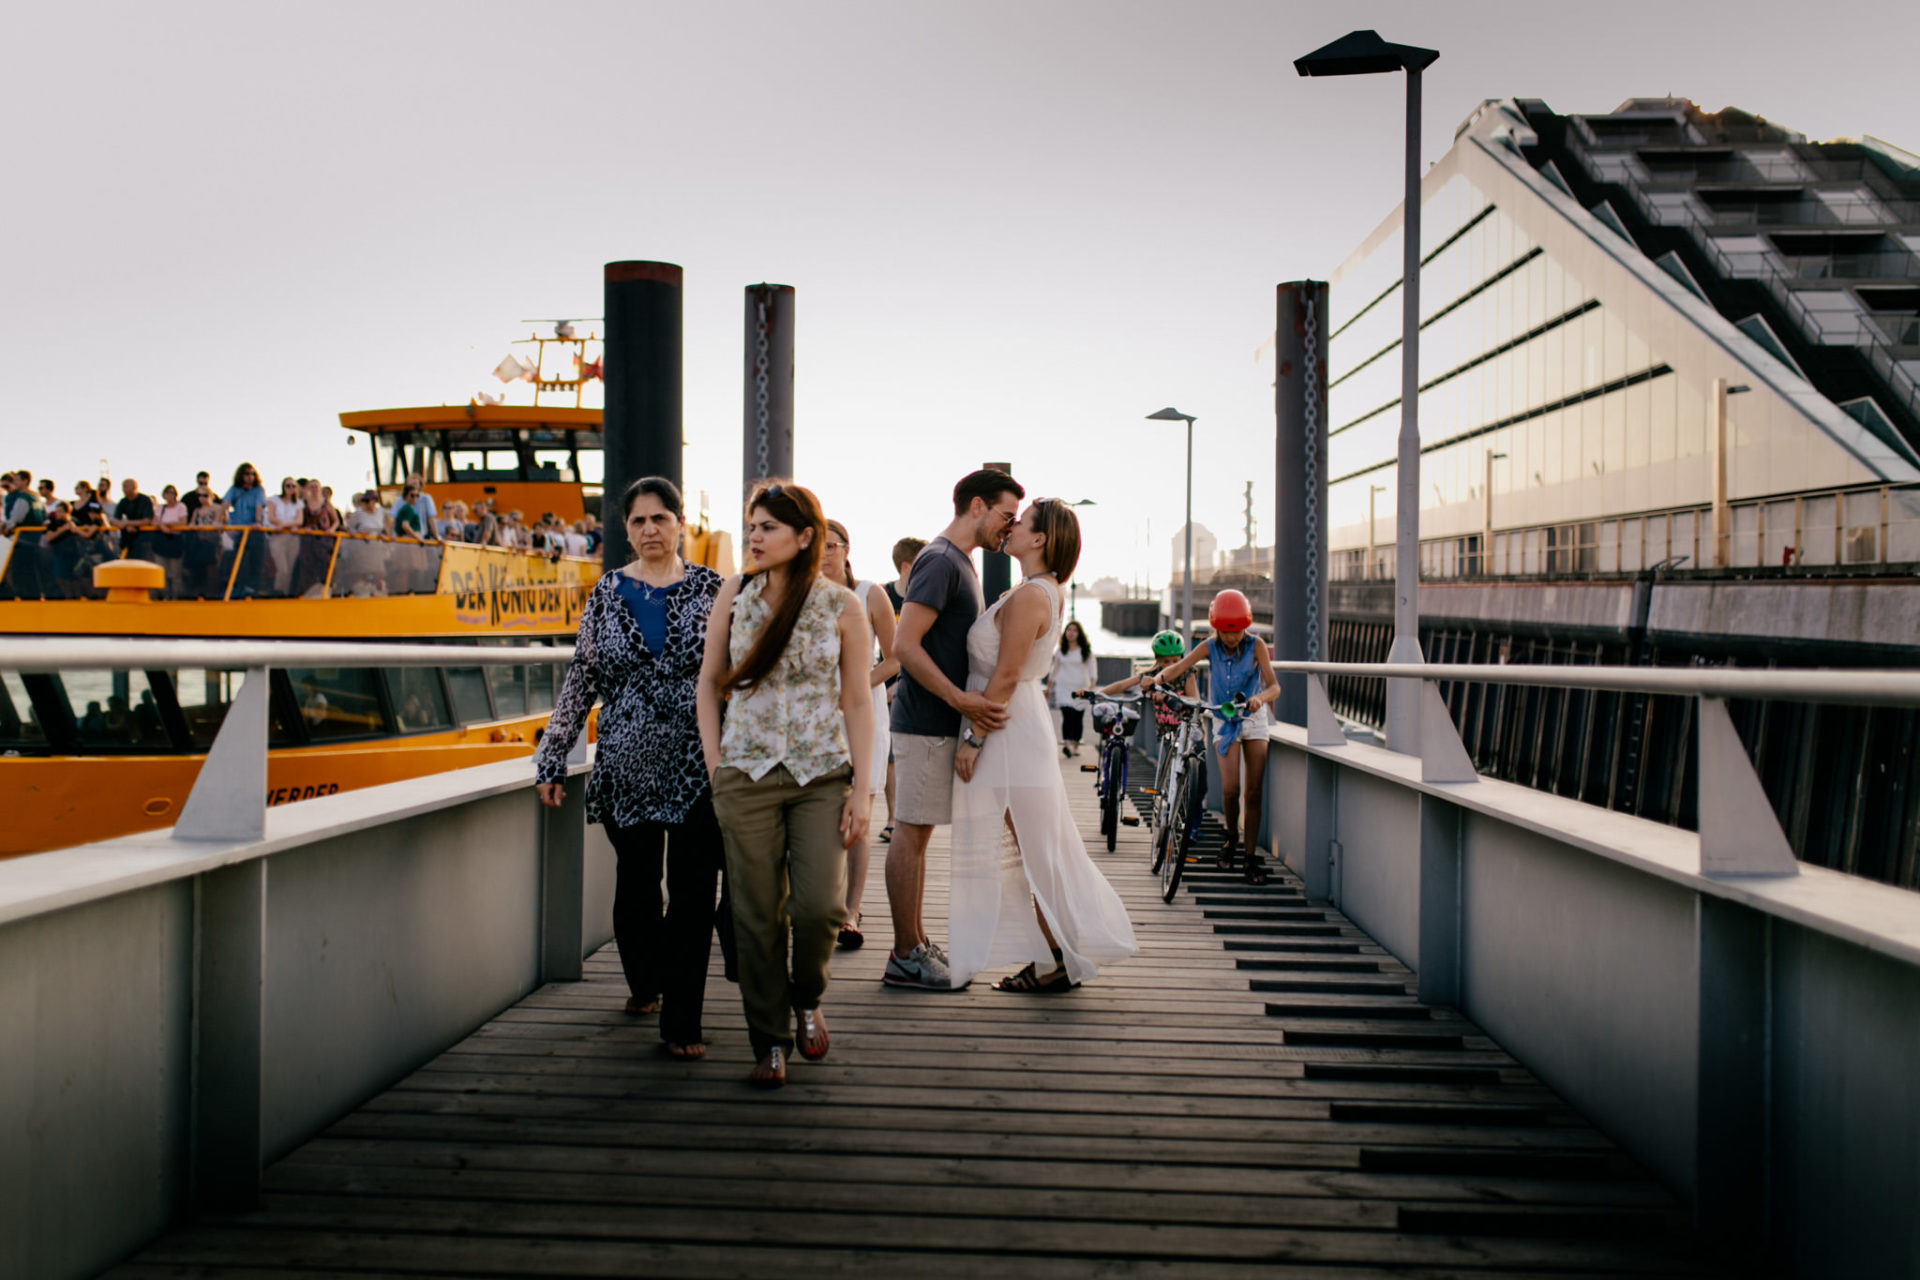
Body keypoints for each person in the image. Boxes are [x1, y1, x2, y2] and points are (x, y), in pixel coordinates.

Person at [535, 476, 729, 1060]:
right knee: (639, 886)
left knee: (695, 891)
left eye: (660, 519)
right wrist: (551, 755)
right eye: (639, 521)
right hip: (626, 761)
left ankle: (682, 1022)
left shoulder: (716, 589)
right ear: (626, 530)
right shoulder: (607, 593)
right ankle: (646, 981)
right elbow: (582, 678)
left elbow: (736, 673)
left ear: (679, 525)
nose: (650, 530)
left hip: (700, 761)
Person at [696, 481, 873, 1088]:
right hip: (744, 772)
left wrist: (864, 788)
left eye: (769, 527)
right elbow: (708, 684)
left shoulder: (840, 606)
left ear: (805, 537)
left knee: (821, 906)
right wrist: (716, 761)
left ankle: (807, 995)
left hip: (821, 773)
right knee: (755, 917)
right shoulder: (734, 595)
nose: (754, 537)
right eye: (752, 526)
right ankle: (769, 1039)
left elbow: (857, 699)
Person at [948, 499, 1138, 991]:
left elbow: (1007, 674)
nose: (1012, 524)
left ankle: (1057, 959)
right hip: (1019, 724)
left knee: (1037, 850)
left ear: (1040, 540)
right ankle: (1053, 955)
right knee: (1035, 848)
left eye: (1023, 520)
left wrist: (973, 738)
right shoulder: (1038, 591)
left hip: (1009, 729)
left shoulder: (1033, 594)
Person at [884, 469, 1023, 991]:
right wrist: (959, 698)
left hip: (939, 722)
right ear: (978, 507)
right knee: (910, 835)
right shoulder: (941, 561)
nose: (1008, 529)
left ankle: (915, 941)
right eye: (1006, 516)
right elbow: (905, 645)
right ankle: (903, 954)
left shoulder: (960, 561)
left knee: (917, 838)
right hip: (926, 722)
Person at [1140, 589, 1281, 884]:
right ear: (1217, 628)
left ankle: (1250, 857)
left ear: (1247, 625)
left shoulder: (1257, 646)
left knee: (1253, 791)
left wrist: (1260, 698)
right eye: (1226, 632)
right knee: (1230, 789)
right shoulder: (1209, 646)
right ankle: (1231, 840)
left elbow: (1274, 686)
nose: (1232, 638)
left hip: (1253, 719)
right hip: (1222, 718)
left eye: (1238, 631)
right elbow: (1180, 666)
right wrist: (1156, 679)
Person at [820, 519, 899, 951]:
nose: (824, 554)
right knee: (817, 814)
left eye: (831, 546)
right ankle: (818, 904)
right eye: (817, 546)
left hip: (863, 714)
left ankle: (851, 911)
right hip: (814, 720)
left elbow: (896, 659)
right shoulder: (804, 594)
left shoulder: (871, 594)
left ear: (846, 548)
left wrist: (855, 685)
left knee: (858, 821)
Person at [877, 536, 926, 844]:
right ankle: (892, 816)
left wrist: (899, 684)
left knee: (904, 755)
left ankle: (902, 816)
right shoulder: (882, 596)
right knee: (887, 755)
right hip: (878, 684)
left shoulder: (924, 599)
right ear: (906, 567)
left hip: (912, 684)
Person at [1048, 618, 1098, 758]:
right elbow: (1054, 670)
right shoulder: (1061, 651)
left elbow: (1093, 669)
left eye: (1074, 630)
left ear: (1079, 633)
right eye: (1068, 630)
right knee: (1067, 716)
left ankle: (1075, 745)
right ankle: (1067, 744)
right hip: (1064, 688)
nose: (1071, 633)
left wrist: (1091, 687)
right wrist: (1048, 688)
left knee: (1077, 718)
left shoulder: (1085, 651)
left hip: (1081, 688)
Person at [219, 462, 267, 596]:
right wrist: (218, 521)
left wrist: (257, 522)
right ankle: (238, 589)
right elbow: (224, 505)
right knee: (239, 561)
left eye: (252, 474)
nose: (250, 477)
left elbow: (259, 506)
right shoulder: (235, 489)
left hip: (255, 532)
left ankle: (252, 590)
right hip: (240, 532)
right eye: (247, 474)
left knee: (255, 562)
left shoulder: (258, 490)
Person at [2, 469, 45, 598]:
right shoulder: (37, 498)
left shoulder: (23, 498)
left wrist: (5, 527)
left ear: (25, 481)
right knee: (32, 572)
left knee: (21, 572)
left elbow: (15, 519)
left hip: (22, 541)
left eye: (17, 480)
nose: (14, 483)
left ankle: (24, 597)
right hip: (35, 540)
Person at [294, 478, 341, 597]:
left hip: (324, 540)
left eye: (316, 486)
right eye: (312, 486)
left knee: (326, 565)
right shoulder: (304, 503)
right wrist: (304, 529)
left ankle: (327, 591)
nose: (314, 489)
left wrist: (330, 530)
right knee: (307, 566)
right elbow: (299, 520)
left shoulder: (325, 503)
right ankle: (308, 592)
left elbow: (336, 521)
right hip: (308, 540)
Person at [114, 478, 155, 562]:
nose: (123, 489)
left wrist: (127, 523)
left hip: (144, 540)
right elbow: (114, 519)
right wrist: (125, 526)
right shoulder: (123, 501)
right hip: (128, 540)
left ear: (134, 487)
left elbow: (147, 520)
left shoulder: (145, 500)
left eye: (125, 486)